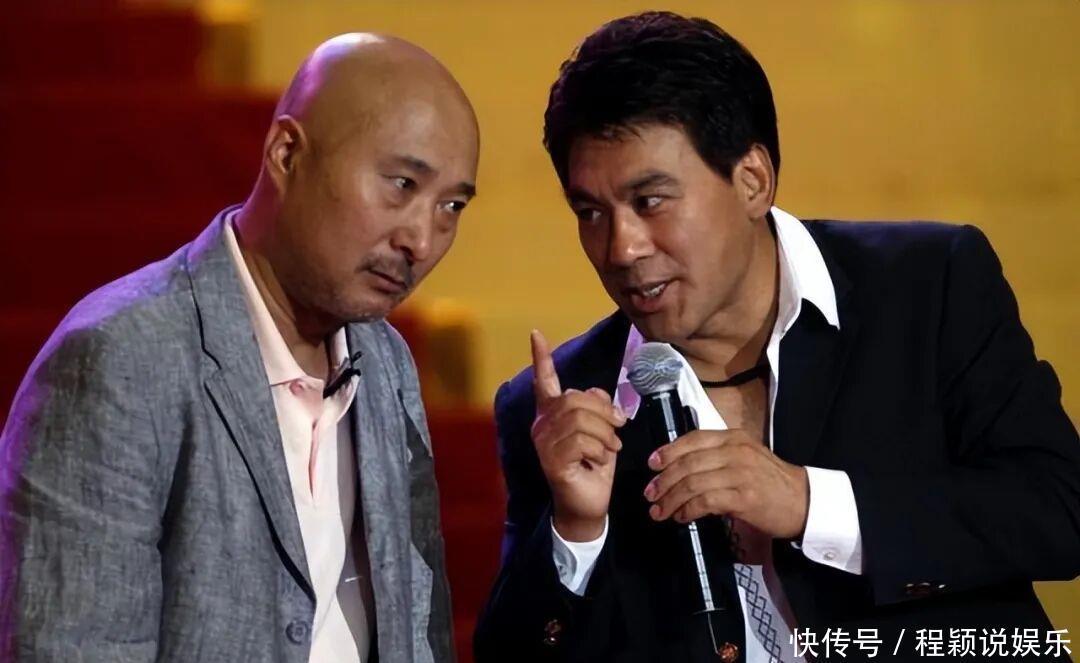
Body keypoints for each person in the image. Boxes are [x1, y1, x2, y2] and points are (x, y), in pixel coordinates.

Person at [474, 11, 1080, 663]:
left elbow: (1058, 512)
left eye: (650, 201)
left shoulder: (928, 286)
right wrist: (575, 532)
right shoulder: (558, 402)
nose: (620, 248)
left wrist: (809, 503)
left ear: (752, 181)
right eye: (590, 212)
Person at [0, 33, 478, 663]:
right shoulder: (121, 359)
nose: (421, 239)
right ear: (286, 153)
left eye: (451, 206)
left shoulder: (387, 361)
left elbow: (417, 632)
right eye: (401, 184)